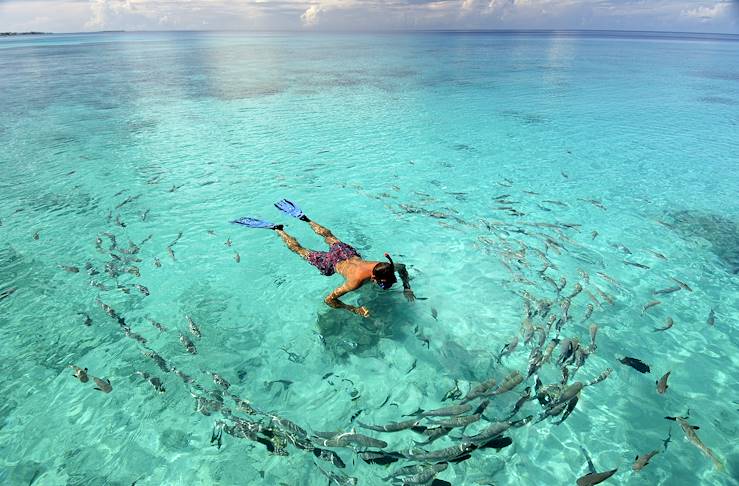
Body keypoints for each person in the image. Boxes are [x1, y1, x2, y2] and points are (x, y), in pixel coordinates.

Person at [233, 199, 414, 317]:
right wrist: (354, 309)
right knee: (300, 250)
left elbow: (403, 267)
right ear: (374, 277)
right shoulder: (355, 282)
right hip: (332, 262)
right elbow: (329, 300)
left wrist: (406, 287)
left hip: (346, 252)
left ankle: (304, 218)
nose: (380, 285)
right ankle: (277, 229)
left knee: (329, 236)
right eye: (380, 283)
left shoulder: (387, 266)